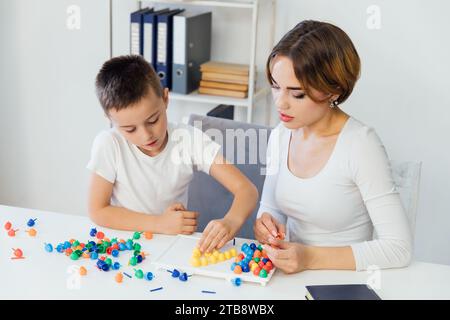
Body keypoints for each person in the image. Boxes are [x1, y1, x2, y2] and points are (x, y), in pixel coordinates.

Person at [254, 20, 412, 273]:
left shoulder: (361, 145)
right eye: (275, 86)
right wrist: (266, 225)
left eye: (297, 94)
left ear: (333, 90)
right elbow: (272, 208)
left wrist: (309, 258)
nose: (280, 103)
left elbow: (398, 248)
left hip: (342, 283)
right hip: (286, 279)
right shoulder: (282, 134)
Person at [87, 55, 258, 253]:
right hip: (122, 248)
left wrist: (231, 221)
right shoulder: (109, 144)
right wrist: (160, 223)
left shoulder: (188, 139)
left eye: (153, 120)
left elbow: (247, 190)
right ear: (110, 119)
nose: (146, 135)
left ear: (165, 98)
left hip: (170, 249)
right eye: (129, 129)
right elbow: (98, 210)